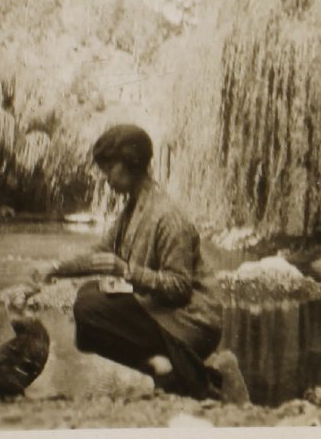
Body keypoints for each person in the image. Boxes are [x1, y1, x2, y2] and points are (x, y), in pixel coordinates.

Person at [49, 124, 229, 400]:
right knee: (87, 299)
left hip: (194, 321)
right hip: (165, 314)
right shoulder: (133, 208)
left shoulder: (168, 216)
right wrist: (53, 270)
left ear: (130, 164)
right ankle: (165, 366)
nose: (105, 177)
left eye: (109, 168)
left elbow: (179, 288)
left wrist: (127, 271)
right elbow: (99, 253)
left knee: (89, 308)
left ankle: (179, 372)